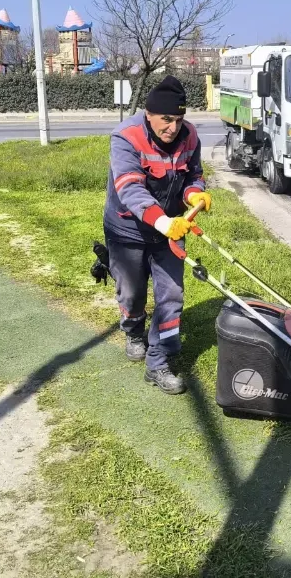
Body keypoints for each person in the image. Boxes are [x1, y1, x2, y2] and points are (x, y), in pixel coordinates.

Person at [103, 75, 212, 395]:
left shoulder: (190, 136)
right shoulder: (125, 136)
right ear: (149, 114)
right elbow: (130, 189)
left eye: (179, 119)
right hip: (128, 230)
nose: (173, 127)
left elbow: (194, 175)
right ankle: (133, 330)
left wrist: (195, 196)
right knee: (132, 293)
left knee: (171, 296)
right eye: (166, 119)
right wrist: (163, 222)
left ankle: (158, 361)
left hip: (170, 231)